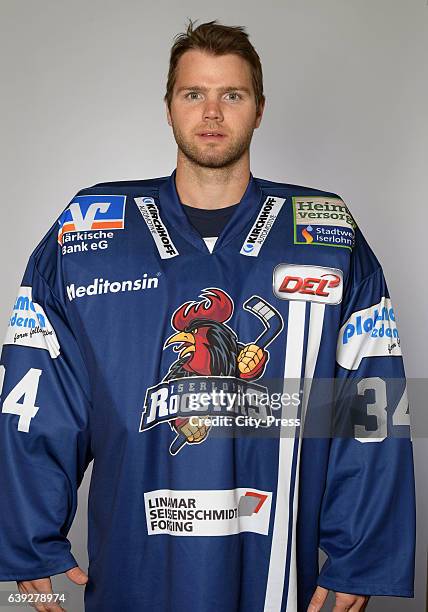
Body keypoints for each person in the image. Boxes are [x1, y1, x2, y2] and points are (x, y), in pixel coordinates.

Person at [0, 18, 415, 612]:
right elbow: (35, 389)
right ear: (168, 107)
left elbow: (372, 398)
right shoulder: (87, 229)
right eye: (194, 94)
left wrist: (361, 557)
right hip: (135, 569)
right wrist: (28, 539)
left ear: (260, 108)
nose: (212, 113)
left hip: (276, 572)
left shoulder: (325, 231)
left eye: (232, 95)